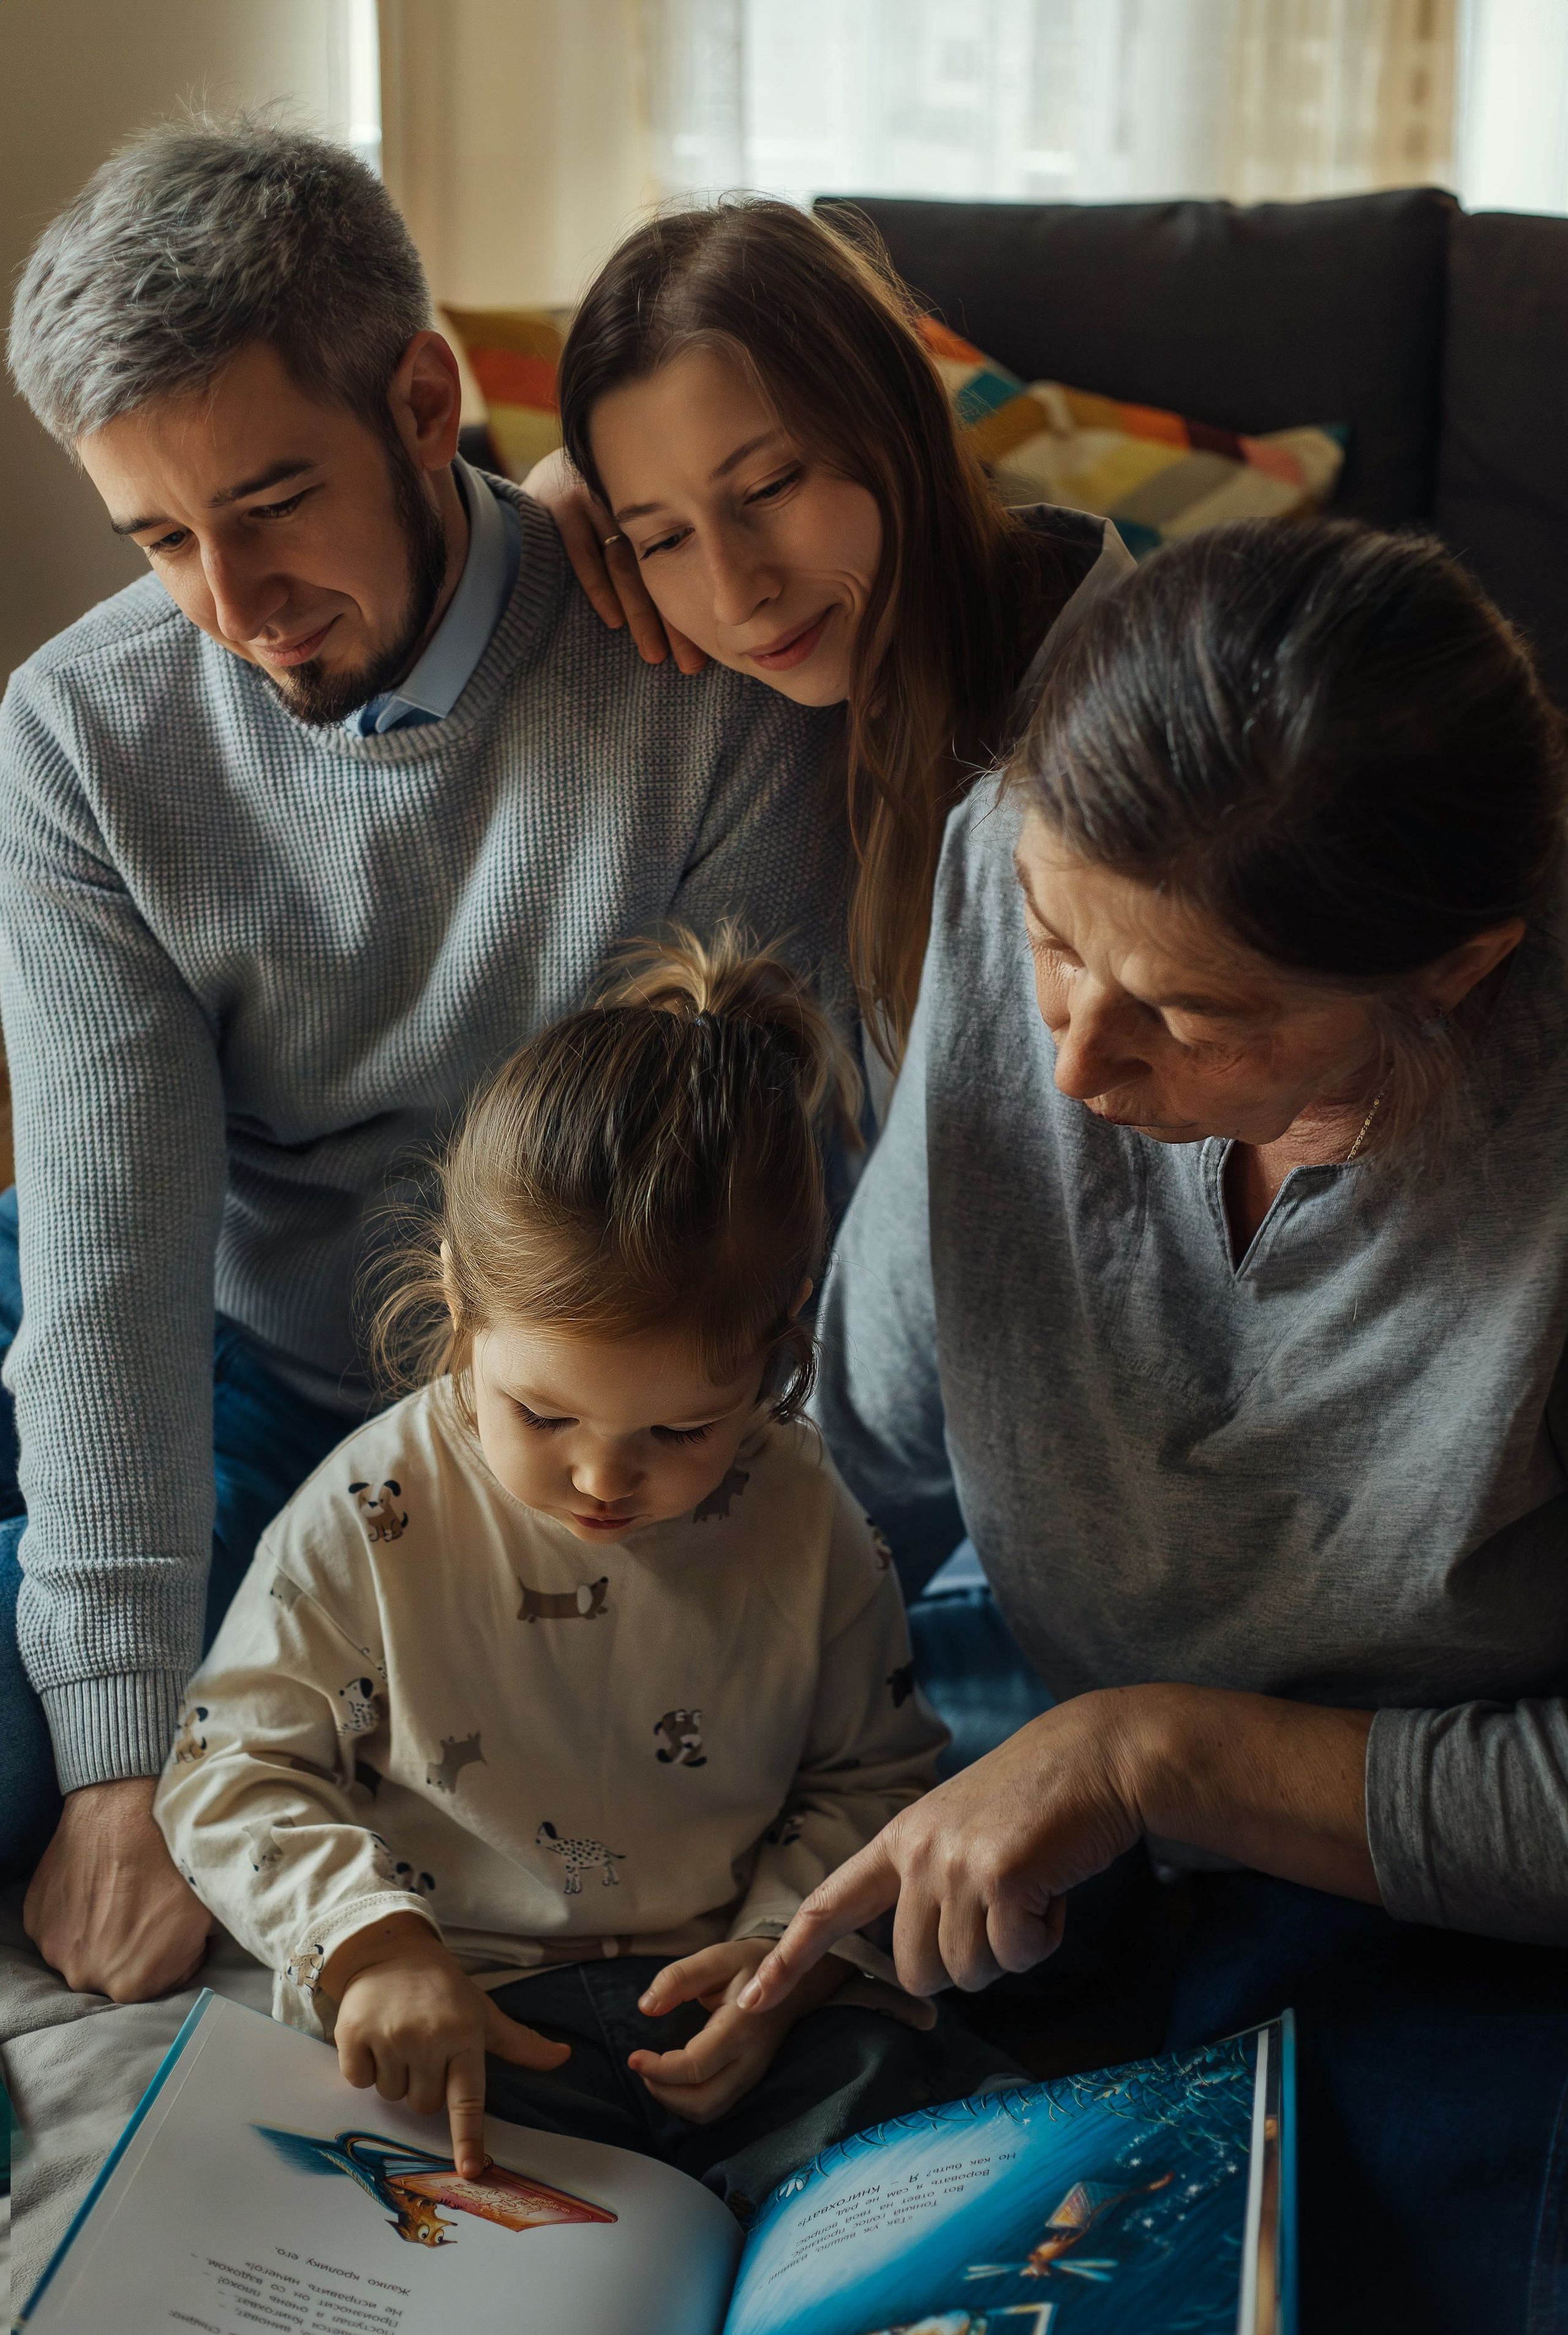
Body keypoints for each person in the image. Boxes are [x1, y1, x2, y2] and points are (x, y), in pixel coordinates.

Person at [0, 123, 852, 2003]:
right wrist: (118, 1759)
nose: (229, 600)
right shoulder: (79, 734)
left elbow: (780, 1192)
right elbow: (111, 1268)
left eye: (271, 501)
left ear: (422, 398)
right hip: (221, 1330)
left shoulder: (692, 665)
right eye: (157, 537)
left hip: (552, 1396)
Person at [737, 518, 1568, 2331]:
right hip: (1056, 1758)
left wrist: (1158, 1758)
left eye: (1193, 1015)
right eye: (1049, 943)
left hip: (1432, 1850)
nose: (1070, 1067)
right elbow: (856, 1461)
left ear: (1457, 972)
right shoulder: (1006, 869)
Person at [154, 932, 1018, 2206]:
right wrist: (371, 1946)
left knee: (930, 2131)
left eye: (680, 1432)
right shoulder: (373, 1504)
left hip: (734, 2005)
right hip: (476, 2008)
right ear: (456, 1302)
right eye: (543, 1416)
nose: (604, 1480)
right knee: (387, 2177)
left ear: (776, 1361)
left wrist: (781, 1960)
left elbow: (871, 1776)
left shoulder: (806, 1510)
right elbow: (229, 1766)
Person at [533, 195, 1134, 1066]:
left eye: (772, 488)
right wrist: (550, 501)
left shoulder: (1108, 772)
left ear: (897, 417)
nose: (737, 596)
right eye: (665, 537)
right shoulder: (817, 673)